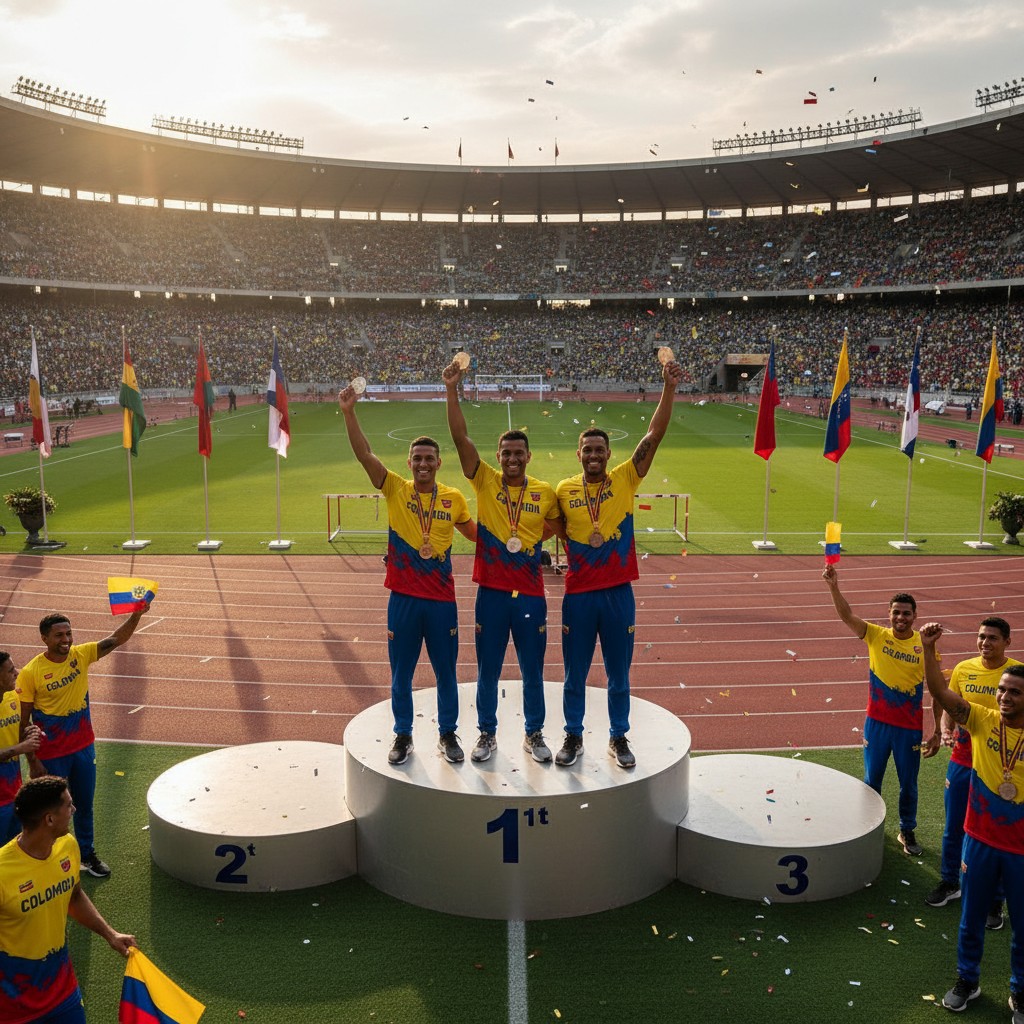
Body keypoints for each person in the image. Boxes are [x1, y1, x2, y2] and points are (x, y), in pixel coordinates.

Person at [554, 357, 683, 769]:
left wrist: (669, 387)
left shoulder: (627, 478)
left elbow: (655, 434)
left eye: (599, 450)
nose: (593, 455)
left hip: (617, 594)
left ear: (609, 453)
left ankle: (618, 736)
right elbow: (550, 527)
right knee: (574, 675)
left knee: (619, 676)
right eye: (587, 450)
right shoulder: (563, 489)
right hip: (577, 595)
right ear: (578, 454)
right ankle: (573, 737)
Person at [339, 384, 476, 765]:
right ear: (409, 462)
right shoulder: (395, 489)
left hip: (441, 602)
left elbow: (479, 536)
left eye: (429, 458)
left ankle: (447, 734)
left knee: (446, 674)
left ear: (438, 463)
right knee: (401, 676)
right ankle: (403, 735)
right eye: (417, 458)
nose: (422, 464)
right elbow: (365, 454)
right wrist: (350, 412)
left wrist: (525, 549)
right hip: (402, 601)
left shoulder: (453, 499)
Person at [443, 360, 562, 763]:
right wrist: (451, 389)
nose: (512, 459)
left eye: (518, 453)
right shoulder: (484, 480)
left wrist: (530, 540)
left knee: (533, 671)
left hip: (530, 593)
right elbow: (460, 438)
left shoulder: (545, 492)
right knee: (487, 670)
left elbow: (558, 526)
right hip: (491, 593)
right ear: (498, 455)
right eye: (506, 453)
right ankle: (487, 734)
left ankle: (533, 733)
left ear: (529, 456)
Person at [919, 627, 1024, 1020]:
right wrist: (929, 649)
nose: (1004, 696)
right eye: (1002, 690)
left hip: (1021, 849)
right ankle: (968, 980)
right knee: (971, 919)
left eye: (1014, 691)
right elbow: (940, 693)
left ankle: (1020, 991)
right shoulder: (982, 720)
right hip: (980, 839)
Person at [17, 606, 149, 878]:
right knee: (51, 812)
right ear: (44, 639)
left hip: (83, 748)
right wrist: (33, 761)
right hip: (52, 755)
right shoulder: (31, 672)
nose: (65, 639)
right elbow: (23, 722)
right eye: (58, 635)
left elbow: (116, 639)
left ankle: (87, 855)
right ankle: (49, 859)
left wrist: (137, 615)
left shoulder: (81, 654)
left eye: (68, 633)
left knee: (84, 805)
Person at [0, 775, 136, 1024]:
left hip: (63, 993)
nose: (74, 810)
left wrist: (110, 934)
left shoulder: (67, 846)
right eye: (68, 805)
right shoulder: (2, 872)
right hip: (12, 1005)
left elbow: (73, 896)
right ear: (49, 819)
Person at [822, 565, 937, 855]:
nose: (900, 617)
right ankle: (867, 828)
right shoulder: (875, 635)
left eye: (906, 613)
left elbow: (938, 690)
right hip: (877, 723)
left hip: (909, 728)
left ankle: (906, 831)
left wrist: (937, 730)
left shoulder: (923, 646)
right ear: (889, 614)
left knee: (908, 784)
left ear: (914, 616)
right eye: (896, 612)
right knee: (871, 780)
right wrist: (834, 586)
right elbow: (847, 616)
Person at [924, 617, 1019, 930]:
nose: (985, 643)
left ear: (1007, 641)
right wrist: (943, 728)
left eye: (992, 638)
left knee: (1000, 837)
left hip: (1000, 770)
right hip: (963, 760)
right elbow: (949, 703)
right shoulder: (964, 669)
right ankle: (951, 882)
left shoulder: (1015, 676)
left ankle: (996, 901)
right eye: (981, 637)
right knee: (954, 827)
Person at [0, 652, 41, 844]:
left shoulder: (12, 698)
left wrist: (29, 733)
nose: (17, 673)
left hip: (14, 793)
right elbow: (17, 747)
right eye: (10, 671)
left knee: (14, 848)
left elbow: (18, 732)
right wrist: (21, 748)